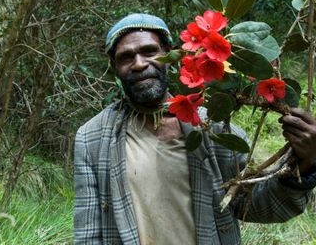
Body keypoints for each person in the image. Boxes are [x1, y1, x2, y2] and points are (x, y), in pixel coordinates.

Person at [74, 13, 316, 245]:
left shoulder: (215, 130)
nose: (138, 64)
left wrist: (305, 164)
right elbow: (88, 234)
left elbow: (260, 206)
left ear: (169, 55)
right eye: (126, 57)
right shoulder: (92, 139)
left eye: (149, 51)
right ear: (114, 67)